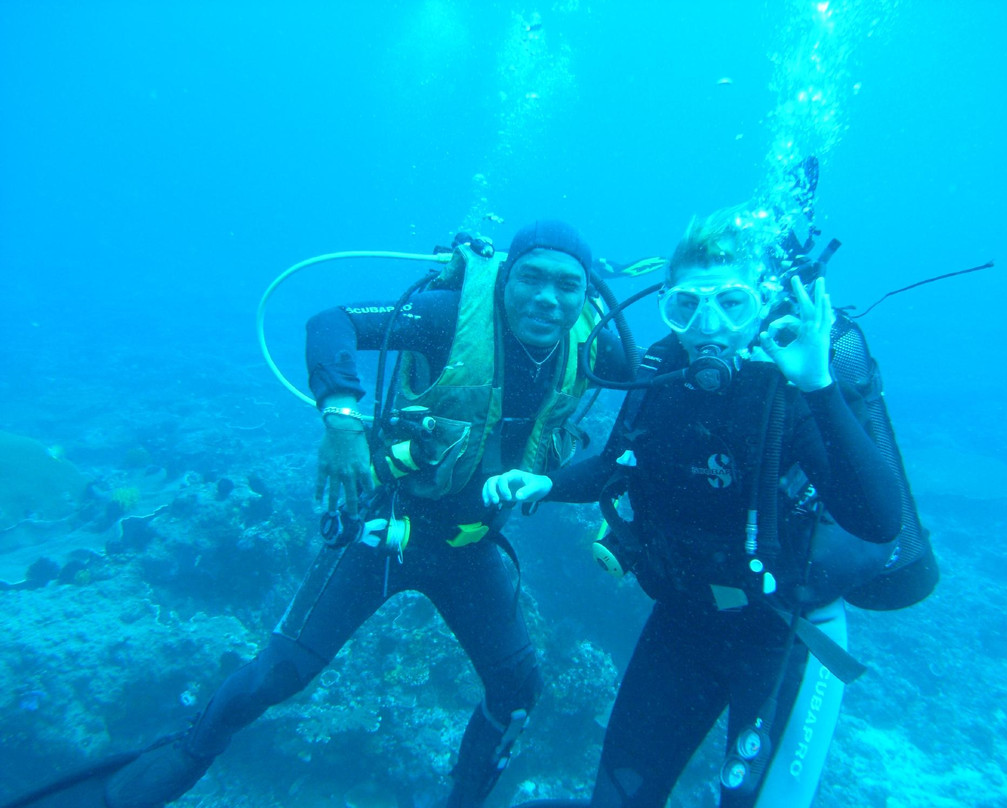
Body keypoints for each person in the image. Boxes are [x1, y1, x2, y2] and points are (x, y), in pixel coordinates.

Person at [77, 221, 623, 808]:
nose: (546, 298)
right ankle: (184, 755)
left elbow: (663, 387)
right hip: (385, 532)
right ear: (506, 277)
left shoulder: (593, 346)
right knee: (280, 673)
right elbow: (331, 322)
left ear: (586, 292)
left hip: (471, 547)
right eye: (531, 278)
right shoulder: (446, 317)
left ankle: (463, 799)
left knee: (518, 690)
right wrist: (340, 419)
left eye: (566, 285)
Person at [483, 209, 903, 807]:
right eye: (686, 307)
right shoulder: (662, 372)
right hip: (683, 619)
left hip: (783, 627)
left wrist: (818, 384)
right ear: (667, 306)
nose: (708, 327)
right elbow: (615, 467)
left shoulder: (792, 384)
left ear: (762, 303)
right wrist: (544, 483)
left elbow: (878, 521)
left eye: (731, 304)